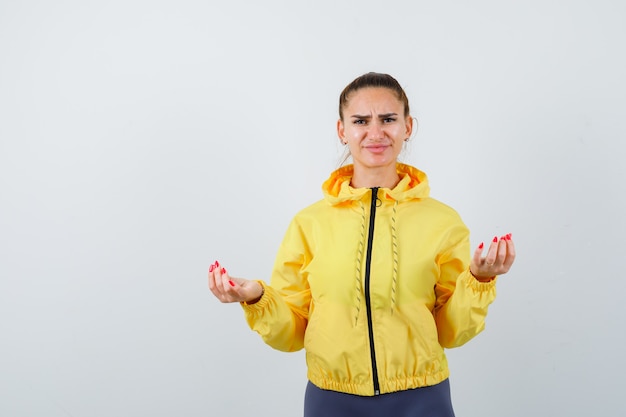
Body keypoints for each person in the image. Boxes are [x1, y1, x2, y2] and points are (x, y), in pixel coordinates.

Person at [208, 72, 516, 417]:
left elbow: (451, 332)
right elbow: (292, 332)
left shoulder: (443, 222)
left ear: (408, 126)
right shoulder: (308, 224)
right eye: (360, 121)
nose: (375, 132)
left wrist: (479, 280)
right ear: (342, 130)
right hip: (332, 401)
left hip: (422, 400)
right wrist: (257, 297)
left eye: (388, 119)